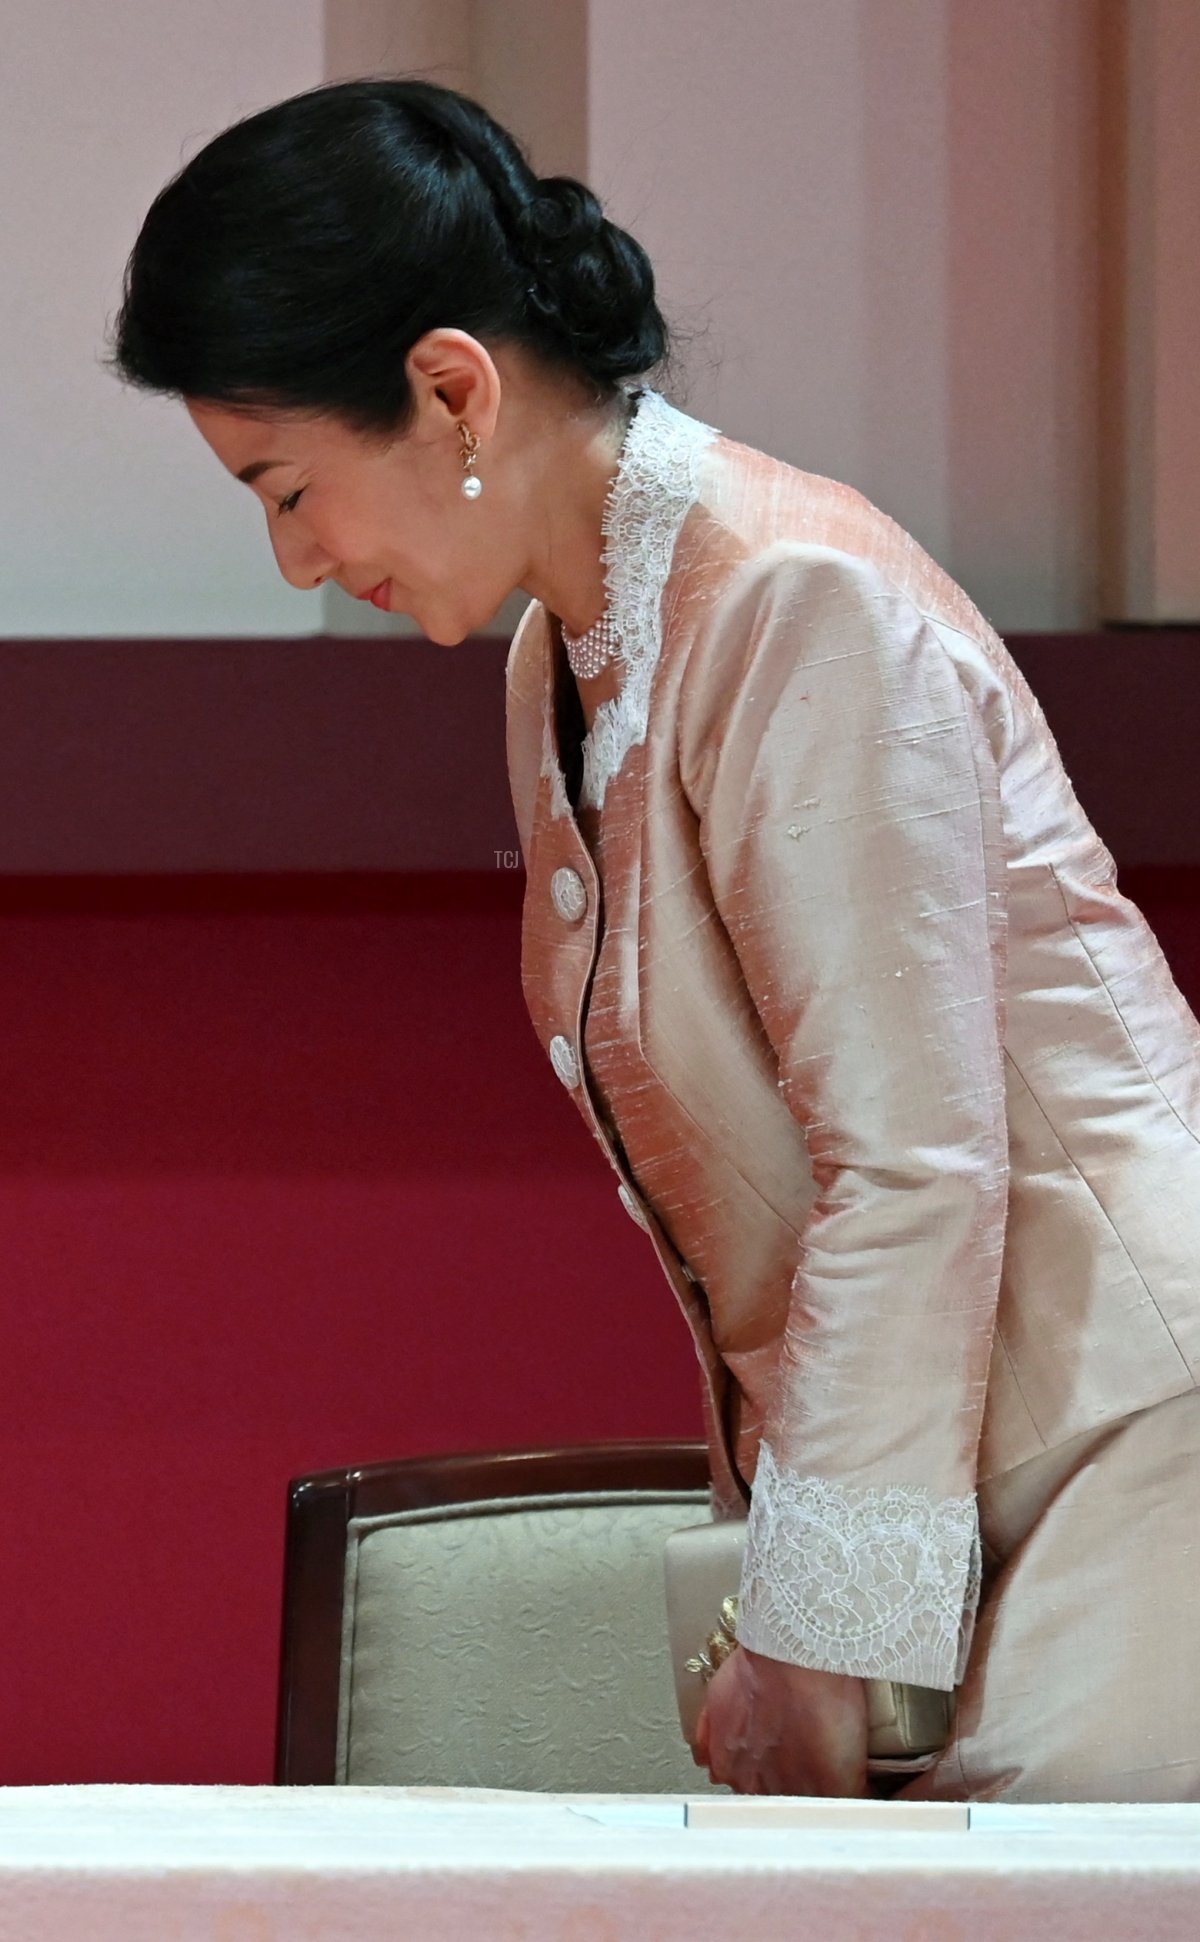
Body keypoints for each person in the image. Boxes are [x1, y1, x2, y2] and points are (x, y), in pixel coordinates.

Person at [107, 76, 1200, 1804]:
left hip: (1132, 1447)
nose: (296, 556)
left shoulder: (785, 595)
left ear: (450, 387)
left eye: (291, 485)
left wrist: (818, 1634)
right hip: (969, 1468)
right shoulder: (570, 650)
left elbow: (913, 1165)